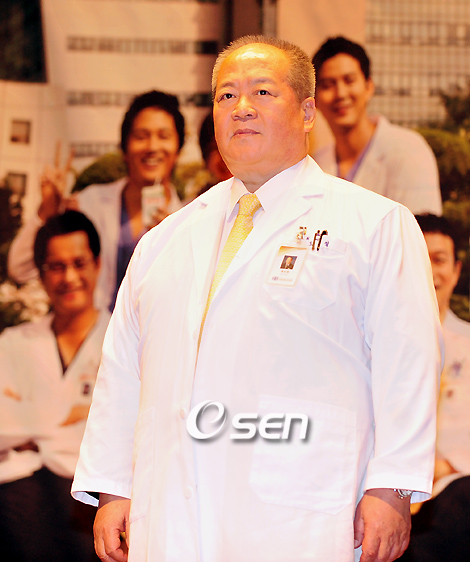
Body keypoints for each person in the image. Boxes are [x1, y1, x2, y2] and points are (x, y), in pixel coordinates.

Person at [72, 35, 442, 562]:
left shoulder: (374, 224)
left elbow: (409, 360)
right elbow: (121, 371)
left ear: (307, 112)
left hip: (304, 511)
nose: (241, 107)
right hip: (172, 510)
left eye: (262, 92)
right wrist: (113, 489)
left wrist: (392, 487)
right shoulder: (165, 239)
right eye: (226, 95)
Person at [8, 90, 185, 310]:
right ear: (124, 148)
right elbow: (20, 269)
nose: (152, 147)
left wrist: (177, 250)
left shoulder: (189, 221)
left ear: (179, 149)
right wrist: (48, 213)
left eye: (164, 136)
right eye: (141, 136)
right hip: (95, 330)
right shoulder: (89, 203)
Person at [0, 210, 110, 562]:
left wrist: (32, 429)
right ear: (41, 273)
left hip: (91, 498)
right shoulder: (14, 343)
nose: (69, 277)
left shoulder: (121, 344)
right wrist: (70, 424)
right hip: (20, 496)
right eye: (56, 267)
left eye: (79, 263)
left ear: (97, 264)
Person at [397, 214, 470, 561]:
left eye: (439, 260)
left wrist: (444, 467)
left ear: (456, 270)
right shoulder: (373, 344)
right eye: (419, 257)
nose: (429, 270)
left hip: (456, 490)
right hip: (387, 486)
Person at [312, 36, 442, 215]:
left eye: (349, 81)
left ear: (369, 87)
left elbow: (421, 229)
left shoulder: (408, 150)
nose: (340, 94)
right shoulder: (315, 167)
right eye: (327, 85)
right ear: (315, 99)